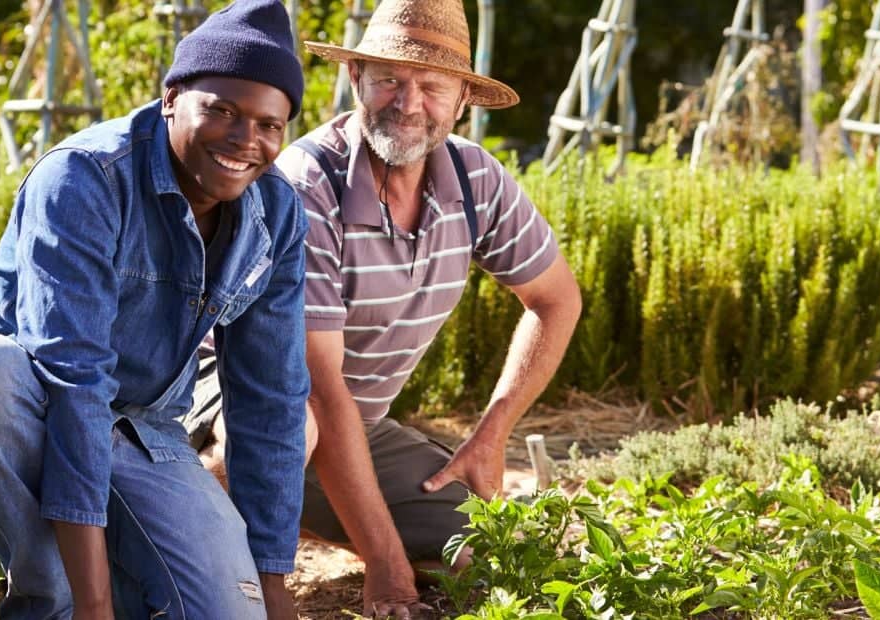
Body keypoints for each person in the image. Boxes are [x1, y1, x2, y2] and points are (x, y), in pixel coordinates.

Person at [186, 0, 583, 616]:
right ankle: (163, 530)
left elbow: (556, 299)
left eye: (431, 86)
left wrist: (491, 433)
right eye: (389, 80)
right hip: (236, 401)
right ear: (356, 81)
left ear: (461, 101)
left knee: (484, 542)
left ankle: (299, 516)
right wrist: (386, 568)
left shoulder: (478, 184)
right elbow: (316, 389)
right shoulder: (305, 185)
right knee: (294, 424)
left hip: (353, 426)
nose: (408, 102)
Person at [0, 1, 309, 618]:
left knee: (228, 611)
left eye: (269, 125)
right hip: (34, 413)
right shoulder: (86, 179)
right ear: (172, 96)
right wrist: (91, 605)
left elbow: (273, 396)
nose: (245, 141)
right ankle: (54, 598)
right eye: (222, 111)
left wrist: (274, 589)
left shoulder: (276, 214)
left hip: (146, 430)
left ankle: (115, 584)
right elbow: (74, 382)